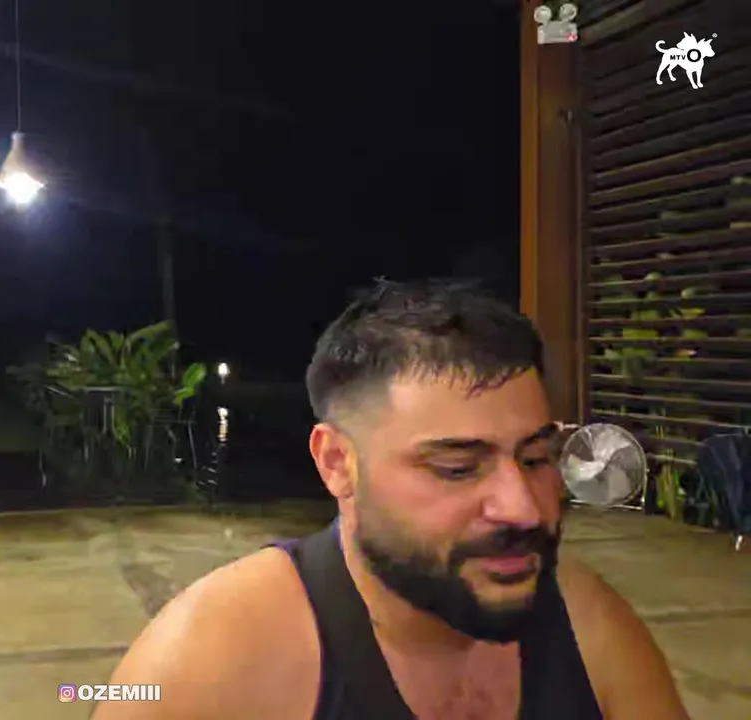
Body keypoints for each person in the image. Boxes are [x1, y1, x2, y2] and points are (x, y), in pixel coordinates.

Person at [94, 279, 689, 719]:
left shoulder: (584, 621)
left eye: (535, 459)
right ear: (337, 464)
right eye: (457, 469)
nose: (524, 508)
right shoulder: (210, 657)